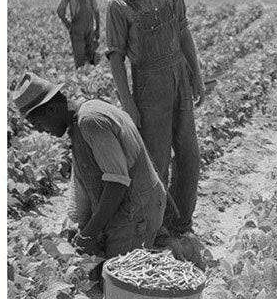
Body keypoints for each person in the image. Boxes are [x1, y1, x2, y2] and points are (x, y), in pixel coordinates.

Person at [105, 0, 207, 235]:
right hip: (148, 85)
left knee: (189, 154)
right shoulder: (117, 4)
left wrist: (196, 74)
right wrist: (129, 104)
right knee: (157, 161)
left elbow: (183, 31)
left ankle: (182, 221)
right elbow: (115, 58)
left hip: (178, 75)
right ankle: (158, 227)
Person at [12, 71, 165, 258]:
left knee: (114, 281)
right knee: (93, 267)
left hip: (137, 213)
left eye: (37, 124)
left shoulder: (90, 121)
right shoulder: (79, 123)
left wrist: (90, 232)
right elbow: (83, 183)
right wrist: (79, 226)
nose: (41, 131)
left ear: (51, 110)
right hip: (125, 208)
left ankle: (179, 248)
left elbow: (117, 183)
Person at [56, 0, 100, 68]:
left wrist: (68, 24)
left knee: (80, 62)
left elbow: (60, 10)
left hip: (77, 29)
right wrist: (97, 29)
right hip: (90, 28)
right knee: (91, 60)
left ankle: (81, 79)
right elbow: (96, 12)